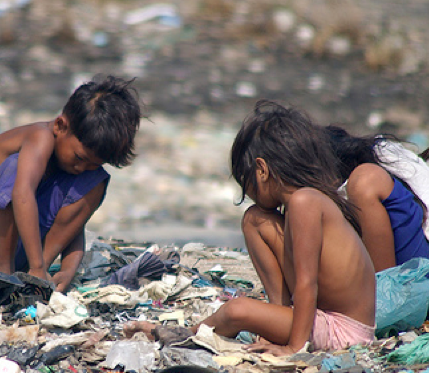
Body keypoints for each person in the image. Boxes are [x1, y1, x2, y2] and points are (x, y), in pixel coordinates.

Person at [125, 100, 377, 355]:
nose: (248, 195)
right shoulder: (302, 201)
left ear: (262, 170)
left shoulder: (304, 202)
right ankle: (275, 317)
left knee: (237, 310)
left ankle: (188, 335)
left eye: (246, 184)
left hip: (343, 332)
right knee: (254, 219)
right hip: (322, 318)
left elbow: (306, 284)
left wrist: (293, 348)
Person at [0, 76, 141, 297]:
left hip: (20, 252)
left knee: (94, 181)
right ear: (60, 126)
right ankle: (1, 271)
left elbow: (74, 222)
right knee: (16, 168)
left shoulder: (73, 163)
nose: (81, 167)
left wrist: (68, 269)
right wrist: (38, 266)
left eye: (92, 162)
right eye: (79, 157)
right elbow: (21, 195)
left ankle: (34, 279)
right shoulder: (40, 137)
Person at [327, 126, 429, 320]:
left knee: (365, 182)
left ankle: (384, 305)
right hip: (427, 272)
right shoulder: (385, 155)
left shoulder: (366, 179)